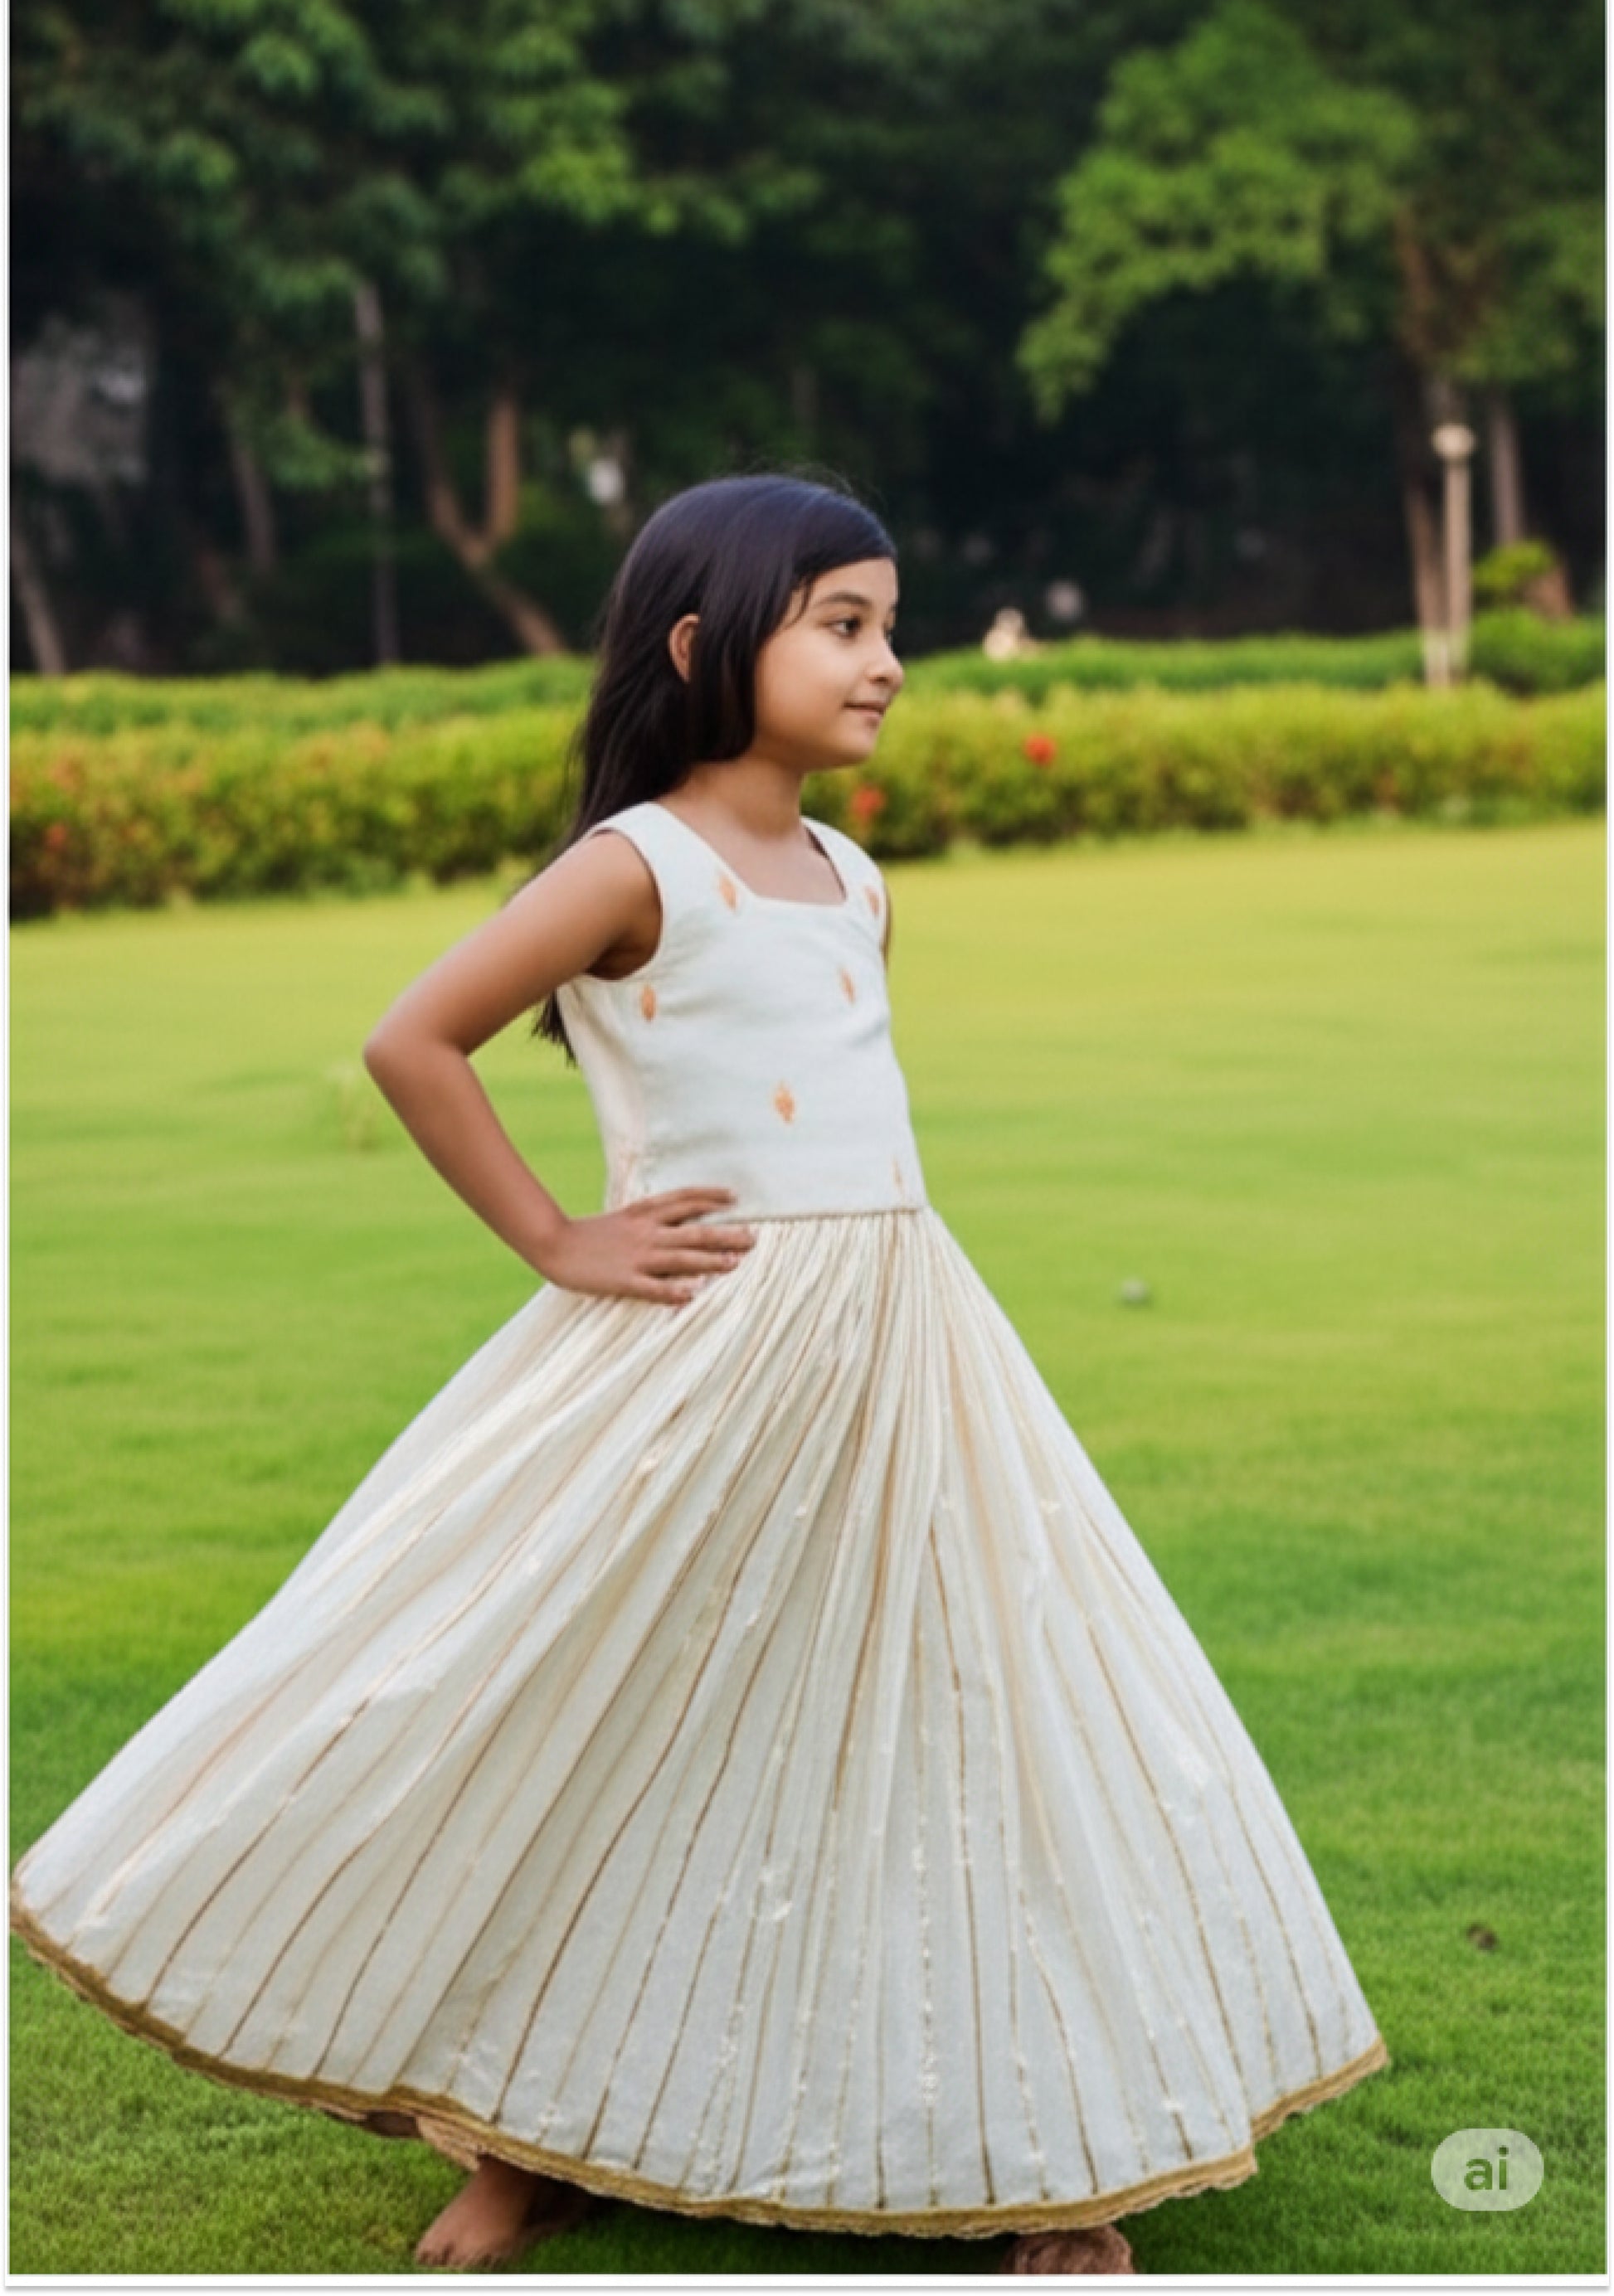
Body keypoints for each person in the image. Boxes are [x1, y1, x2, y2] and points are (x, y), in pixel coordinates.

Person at [9, 473, 1389, 2276]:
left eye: (888, 623)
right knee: (613, 1713)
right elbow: (413, 1038)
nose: (886, 660)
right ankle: (514, 2124)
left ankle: (1060, 2152)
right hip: (701, 1359)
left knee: (959, 1718)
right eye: (843, 622)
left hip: (907, 1358)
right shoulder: (632, 865)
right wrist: (564, 1238)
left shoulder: (855, 879)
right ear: (701, 643)